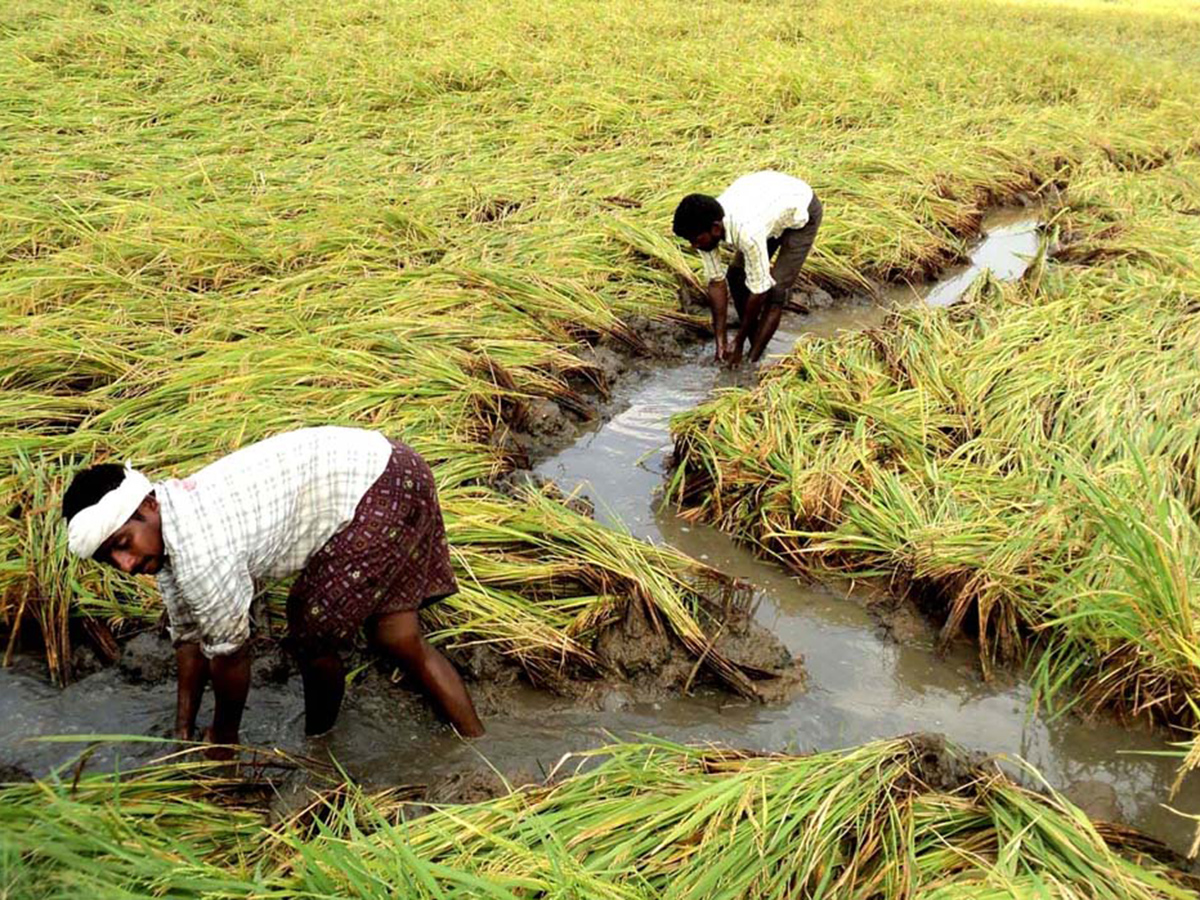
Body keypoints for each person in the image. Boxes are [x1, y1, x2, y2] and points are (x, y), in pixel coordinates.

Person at [62, 426, 484, 757]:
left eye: (122, 545)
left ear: (148, 506)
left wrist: (223, 744)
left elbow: (231, 656)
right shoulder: (167, 531)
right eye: (110, 559)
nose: (127, 565)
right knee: (395, 636)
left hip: (381, 488)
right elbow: (189, 639)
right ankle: (479, 745)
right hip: (390, 469)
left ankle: (321, 744)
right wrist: (182, 730)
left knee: (310, 631)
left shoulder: (200, 547)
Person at [672, 170, 823, 366]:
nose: (694, 245)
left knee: (776, 290)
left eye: (696, 240)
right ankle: (751, 342)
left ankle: (753, 361)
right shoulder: (702, 229)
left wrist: (738, 340)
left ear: (716, 228)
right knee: (736, 276)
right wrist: (722, 340)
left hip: (801, 210)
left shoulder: (747, 232)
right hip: (766, 207)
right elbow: (717, 282)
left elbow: (760, 289)